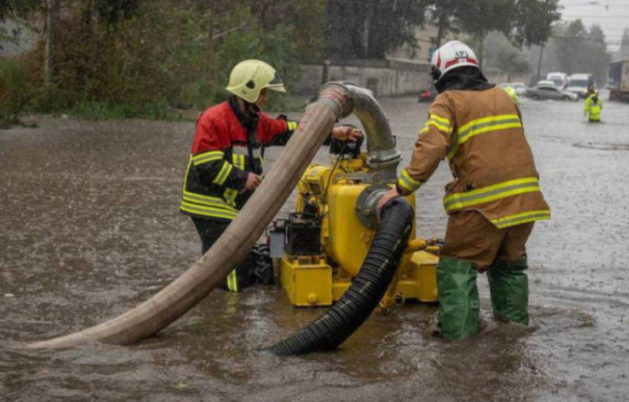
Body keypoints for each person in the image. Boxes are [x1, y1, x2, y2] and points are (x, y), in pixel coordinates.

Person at [379, 41, 551, 340]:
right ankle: (513, 337)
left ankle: (458, 346)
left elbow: (431, 147)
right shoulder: (505, 96)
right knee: (509, 267)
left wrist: (401, 187)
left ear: (442, 73)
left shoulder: (448, 101)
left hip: (482, 205)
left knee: (456, 265)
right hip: (526, 202)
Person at [180, 59, 361, 292]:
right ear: (249, 90)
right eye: (263, 92)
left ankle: (225, 304)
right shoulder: (214, 119)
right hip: (208, 205)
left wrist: (332, 133)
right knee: (231, 266)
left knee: (232, 261)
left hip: (232, 204)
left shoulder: (257, 121)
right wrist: (243, 178)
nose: (265, 98)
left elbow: (294, 132)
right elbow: (206, 163)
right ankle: (228, 314)